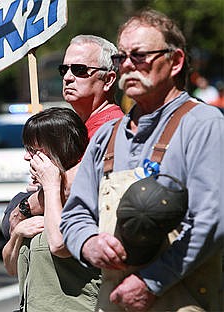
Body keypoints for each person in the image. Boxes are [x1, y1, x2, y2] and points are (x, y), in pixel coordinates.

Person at [60, 8, 223, 312]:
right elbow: (74, 215)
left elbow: (212, 220)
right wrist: (88, 244)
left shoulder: (204, 124)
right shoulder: (107, 136)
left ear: (175, 62)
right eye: (122, 58)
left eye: (140, 56)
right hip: (113, 301)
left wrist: (152, 281)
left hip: (184, 301)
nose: (128, 66)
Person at [1, 35, 124, 311]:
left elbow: (69, 186)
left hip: (80, 290)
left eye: (79, 70)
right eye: (64, 69)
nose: (68, 77)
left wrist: (24, 206)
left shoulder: (112, 127)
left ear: (109, 79)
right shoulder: (78, 127)